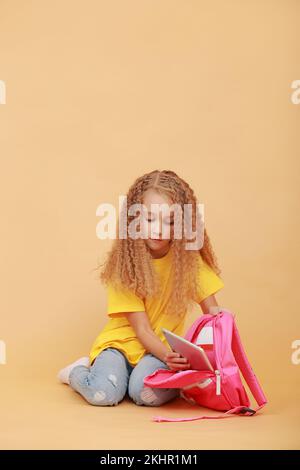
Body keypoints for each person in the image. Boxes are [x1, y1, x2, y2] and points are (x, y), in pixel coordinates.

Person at [57, 169, 225, 407]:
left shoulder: (189, 262)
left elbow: (213, 313)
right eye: (149, 220)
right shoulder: (126, 264)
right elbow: (143, 330)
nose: (158, 230)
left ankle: (163, 381)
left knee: (145, 394)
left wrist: (222, 335)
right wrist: (168, 357)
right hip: (121, 346)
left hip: (163, 352)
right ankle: (76, 371)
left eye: (170, 221)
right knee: (102, 394)